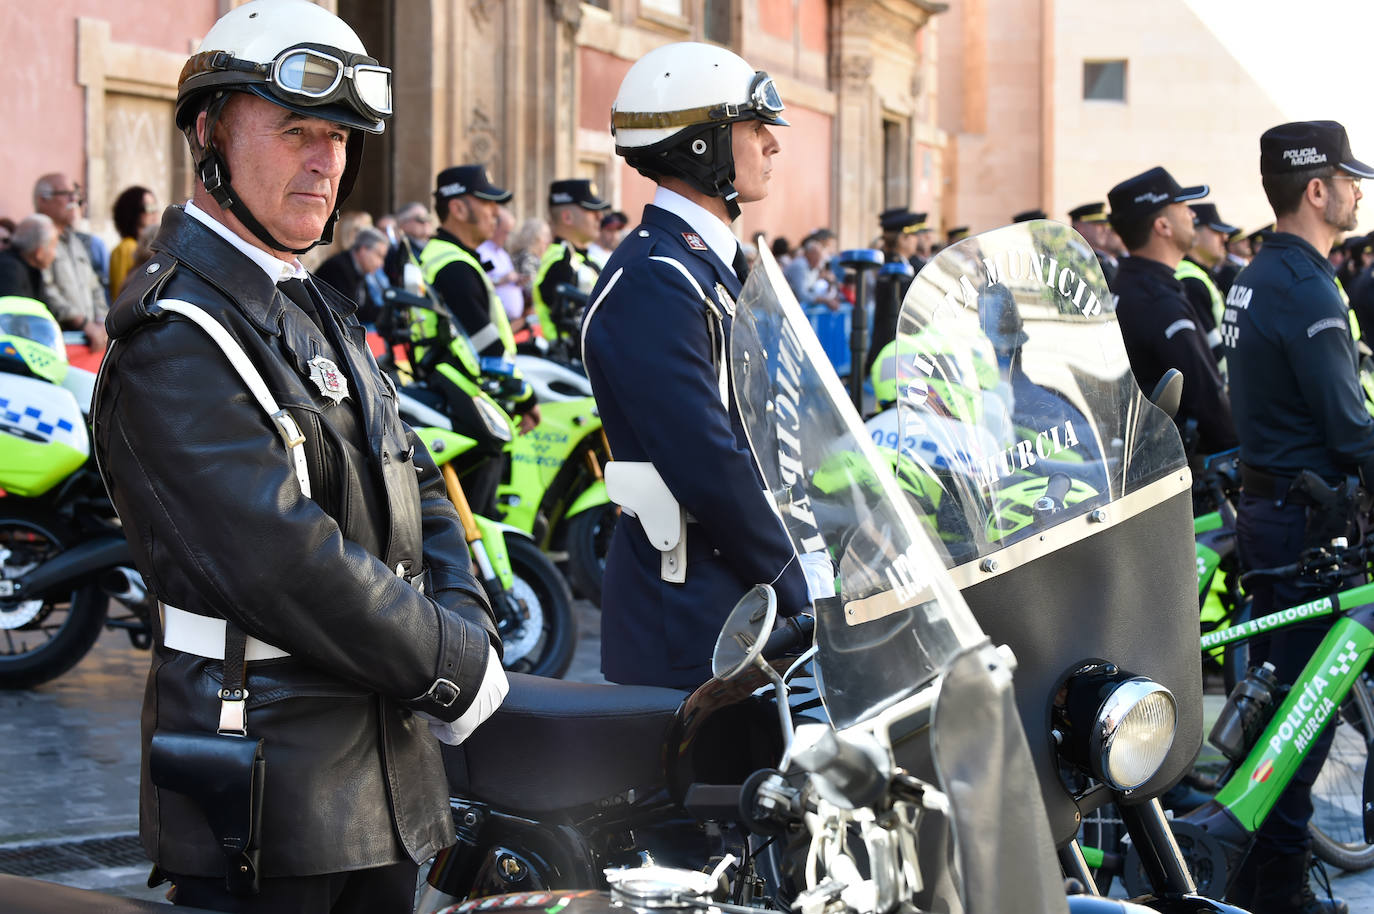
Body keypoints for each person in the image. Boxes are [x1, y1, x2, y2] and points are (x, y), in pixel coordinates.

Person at [89, 2, 505, 910]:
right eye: (297, 131)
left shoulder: (304, 298)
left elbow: (413, 469)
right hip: (269, 782)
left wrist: (466, 614)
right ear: (209, 134)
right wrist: (451, 662)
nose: (328, 162)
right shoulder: (174, 333)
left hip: (383, 774)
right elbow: (281, 560)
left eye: (341, 138)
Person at [582, 40, 812, 689]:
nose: (772, 143)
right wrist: (799, 584)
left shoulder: (712, 267)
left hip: (744, 598)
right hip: (698, 616)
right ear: (703, 145)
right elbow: (708, 463)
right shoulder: (656, 280)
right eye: (754, 126)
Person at [1220, 121, 1374, 914]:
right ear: (1317, 189)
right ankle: (1278, 893)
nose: (1357, 192)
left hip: (1272, 512)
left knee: (1282, 705)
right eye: (1350, 179)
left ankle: (1261, 878)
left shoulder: (1257, 273)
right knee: (1301, 726)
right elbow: (1349, 431)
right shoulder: (1308, 286)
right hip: (1305, 527)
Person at [1107, 166, 1237, 456]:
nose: (1192, 215)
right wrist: (1237, 450)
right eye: (1182, 207)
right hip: (1176, 463)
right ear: (1163, 226)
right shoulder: (1157, 300)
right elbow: (1206, 399)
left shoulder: (1128, 286)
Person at [33, 172, 108, 352]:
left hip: (90, 341)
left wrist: (101, 322)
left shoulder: (75, 241)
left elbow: (94, 286)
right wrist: (82, 323)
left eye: (75, 193)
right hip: (60, 342)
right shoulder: (35, 238)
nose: (74, 199)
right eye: (66, 193)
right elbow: (46, 288)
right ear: (44, 200)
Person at [532, 178, 608, 347]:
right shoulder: (560, 262)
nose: (600, 217)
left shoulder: (585, 259)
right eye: (591, 210)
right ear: (567, 217)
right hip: (567, 358)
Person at [1176, 201, 1237, 364]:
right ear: (1194, 235)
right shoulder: (1191, 281)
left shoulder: (1199, 275)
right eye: (1217, 231)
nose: (1225, 237)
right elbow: (1212, 353)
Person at [312, 226, 389, 325]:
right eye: (379, 255)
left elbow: (367, 307)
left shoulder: (358, 267)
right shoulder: (339, 268)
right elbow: (348, 312)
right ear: (363, 250)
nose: (381, 263)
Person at [109, 186, 160, 299]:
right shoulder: (127, 247)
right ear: (134, 211)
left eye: (155, 207)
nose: (154, 212)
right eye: (149, 207)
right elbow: (122, 293)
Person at [479, 205, 525, 329]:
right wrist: (501, 280)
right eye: (506, 232)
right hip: (495, 320)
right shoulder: (482, 252)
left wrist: (517, 281)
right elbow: (480, 283)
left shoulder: (503, 254)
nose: (508, 237)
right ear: (495, 227)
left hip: (512, 322)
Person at [0, 215, 59, 301]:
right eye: (53, 246)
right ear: (39, 252)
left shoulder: (31, 268)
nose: (55, 254)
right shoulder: (9, 270)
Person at [382, 199, 435, 290]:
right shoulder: (397, 250)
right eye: (420, 219)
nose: (426, 223)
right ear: (403, 223)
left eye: (428, 218)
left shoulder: (436, 245)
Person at [1068, 201, 1118, 285]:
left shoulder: (1098, 258)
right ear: (1081, 227)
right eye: (1099, 224)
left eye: (1105, 225)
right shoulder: (1068, 257)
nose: (1105, 229)